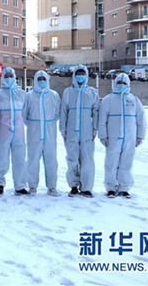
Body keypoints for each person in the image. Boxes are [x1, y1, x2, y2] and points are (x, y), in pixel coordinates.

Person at [98, 73, 146, 198]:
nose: (121, 85)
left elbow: (141, 119)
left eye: (124, 83)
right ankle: (111, 188)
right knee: (111, 163)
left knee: (127, 163)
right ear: (115, 83)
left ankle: (124, 187)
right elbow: (102, 119)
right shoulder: (108, 99)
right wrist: (103, 135)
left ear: (128, 84)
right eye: (119, 82)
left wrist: (140, 136)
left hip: (129, 138)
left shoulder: (134, 100)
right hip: (113, 137)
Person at [59, 65, 99, 198]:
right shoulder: (68, 92)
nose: (80, 76)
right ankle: (74, 186)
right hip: (71, 132)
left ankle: (86, 187)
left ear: (86, 75)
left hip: (87, 132)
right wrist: (63, 129)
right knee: (72, 160)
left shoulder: (92, 92)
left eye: (82, 74)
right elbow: (63, 111)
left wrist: (94, 129)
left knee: (87, 160)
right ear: (74, 76)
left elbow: (96, 112)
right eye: (78, 74)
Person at [24, 70, 61, 196]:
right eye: (39, 79)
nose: (41, 81)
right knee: (33, 160)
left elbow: (57, 113)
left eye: (43, 79)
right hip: (34, 131)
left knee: (51, 160)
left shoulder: (54, 95)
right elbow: (24, 114)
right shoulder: (29, 96)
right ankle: (32, 186)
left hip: (50, 130)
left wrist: (48, 122)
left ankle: (52, 187)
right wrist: (33, 124)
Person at [0, 67, 28, 196]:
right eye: (6, 76)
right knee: (1, 158)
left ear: (14, 77)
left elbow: (26, 111)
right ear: (2, 77)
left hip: (18, 131)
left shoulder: (22, 93)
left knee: (19, 158)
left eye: (10, 75)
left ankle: (20, 185)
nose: (8, 78)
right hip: (2, 130)